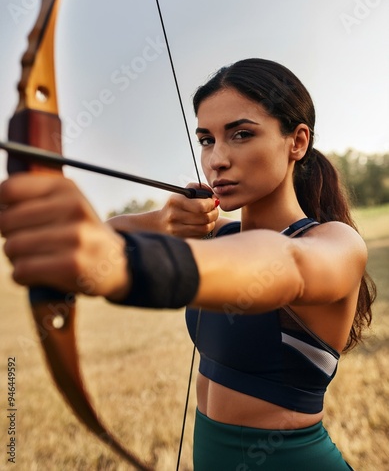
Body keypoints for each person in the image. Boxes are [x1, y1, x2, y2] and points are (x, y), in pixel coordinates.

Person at [0, 58, 375, 470]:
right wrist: (161, 222)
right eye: (207, 140)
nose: (217, 159)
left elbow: (286, 264)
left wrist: (123, 263)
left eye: (241, 134)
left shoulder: (335, 243)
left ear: (297, 142)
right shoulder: (218, 238)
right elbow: (108, 231)